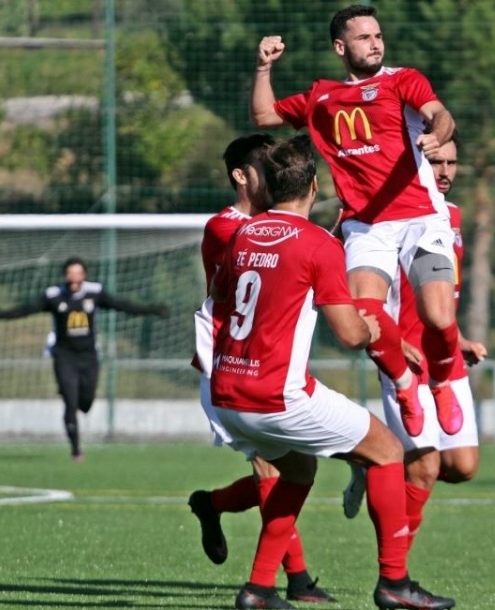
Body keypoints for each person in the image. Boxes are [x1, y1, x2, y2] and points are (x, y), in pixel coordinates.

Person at [206, 134, 454, 610]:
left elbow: (219, 296)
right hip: (277, 396)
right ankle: (395, 584)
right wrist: (369, 323)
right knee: (386, 450)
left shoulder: (240, 233)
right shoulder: (319, 243)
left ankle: (258, 590)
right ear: (314, 187)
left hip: (227, 395)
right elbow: (350, 335)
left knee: (298, 468)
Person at [250, 4, 463, 441]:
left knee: (438, 317)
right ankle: (406, 385)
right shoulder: (322, 96)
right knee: (365, 317)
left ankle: (440, 384)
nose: (376, 43)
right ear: (340, 46)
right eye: (365, 37)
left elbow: (441, 114)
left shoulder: (402, 79)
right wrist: (263, 68)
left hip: (420, 217)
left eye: (378, 35)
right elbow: (263, 117)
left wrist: (436, 135)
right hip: (367, 226)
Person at [185, 133, 334, 604]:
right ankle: (290, 580)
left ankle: (213, 505)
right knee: (277, 470)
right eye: (262, 167)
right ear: (240, 176)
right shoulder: (227, 227)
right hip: (228, 363)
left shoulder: (272, 225)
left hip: (267, 361)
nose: (271, 175)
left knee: (285, 470)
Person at [342, 139, 487, 546]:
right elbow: (353, 285)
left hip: (444, 359)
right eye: (435, 161)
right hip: (404, 359)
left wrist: (459, 340)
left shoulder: (452, 217)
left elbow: (443, 296)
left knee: (462, 466)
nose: (444, 171)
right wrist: (387, 337)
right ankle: (395, 572)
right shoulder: (377, 218)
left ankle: (373, 461)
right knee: (424, 468)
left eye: (452, 162)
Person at [0, 257, 168, 460]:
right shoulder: (54, 296)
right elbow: (26, 309)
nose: (73, 278)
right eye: (70, 273)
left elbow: (122, 305)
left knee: (86, 403)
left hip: (89, 356)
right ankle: (76, 450)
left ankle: (71, 395)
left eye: (77, 273)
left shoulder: (94, 292)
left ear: (84, 275)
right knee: (70, 403)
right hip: (64, 356)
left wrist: (152, 309)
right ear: (65, 276)